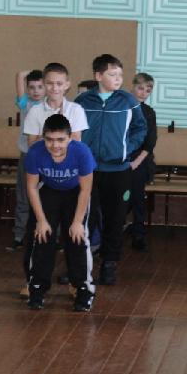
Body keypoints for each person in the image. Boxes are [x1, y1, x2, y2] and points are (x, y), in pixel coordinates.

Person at [75, 53, 147, 285]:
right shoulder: (83, 102)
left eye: (120, 75)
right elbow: (72, 130)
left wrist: (126, 150)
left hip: (118, 171)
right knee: (85, 218)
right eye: (112, 74)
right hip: (89, 170)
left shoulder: (128, 101)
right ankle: (79, 267)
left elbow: (140, 128)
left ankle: (109, 264)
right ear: (98, 76)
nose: (118, 79)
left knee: (115, 219)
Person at [19, 62, 89, 297]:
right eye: (49, 83)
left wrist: (53, 140)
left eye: (59, 83)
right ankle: (34, 283)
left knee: (74, 234)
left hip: (71, 181)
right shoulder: (35, 111)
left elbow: (76, 144)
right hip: (43, 180)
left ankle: (77, 283)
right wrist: (54, 140)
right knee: (38, 232)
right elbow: (33, 146)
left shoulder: (76, 110)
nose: (54, 88)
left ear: (67, 85)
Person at [25, 114, 96, 312]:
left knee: (77, 238)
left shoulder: (82, 152)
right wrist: (41, 220)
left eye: (60, 140)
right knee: (42, 237)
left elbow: (86, 190)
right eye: (49, 139)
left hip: (75, 193)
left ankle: (83, 290)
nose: (55, 145)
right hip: (49, 191)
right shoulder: (35, 152)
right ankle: (37, 289)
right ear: (43, 137)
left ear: (70, 138)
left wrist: (77, 222)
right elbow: (31, 187)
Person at [8, 69, 45, 252]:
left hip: (47, 158)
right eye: (32, 87)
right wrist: (28, 73)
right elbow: (20, 75)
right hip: (28, 156)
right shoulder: (25, 104)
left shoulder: (50, 105)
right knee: (23, 197)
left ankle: (47, 235)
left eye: (40, 86)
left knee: (46, 197)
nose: (36, 91)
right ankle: (19, 235)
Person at [128, 72, 157, 252]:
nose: (143, 93)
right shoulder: (122, 108)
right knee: (119, 199)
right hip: (120, 160)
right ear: (133, 87)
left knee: (138, 198)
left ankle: (138, 234)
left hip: (141, 160)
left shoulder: (148, 113)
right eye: (140, 88)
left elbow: (150, 142)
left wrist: (136, 162)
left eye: (148, 90)